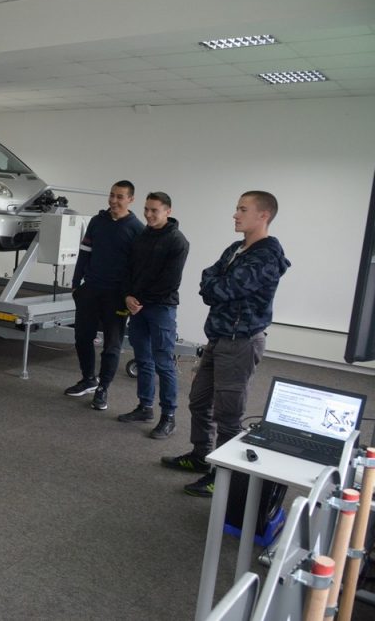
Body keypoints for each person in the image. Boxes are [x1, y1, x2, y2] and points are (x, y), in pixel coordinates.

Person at [162, 191, 290, 497]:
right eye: (237, 208)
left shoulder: (266, 255)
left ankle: (223, 476)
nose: (235, 214)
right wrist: (215, 284)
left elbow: (223, 289)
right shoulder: (236, 248)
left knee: (228, 414)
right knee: (199, 400)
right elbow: (209, 279)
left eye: (243, 209)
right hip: (219, 337)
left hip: (240, 343)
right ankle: (201, 456)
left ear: (263, 215)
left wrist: (215, 284)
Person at [64, 180, 144, 411]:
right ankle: (88, 379)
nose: (114, 200)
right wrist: (76, 284)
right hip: (90, 289)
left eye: (120, 196)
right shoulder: (97, 222)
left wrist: (132, 295)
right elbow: (84, 253)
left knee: (111, 345)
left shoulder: (137, 229)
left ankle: (103, 388)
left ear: (130, 200)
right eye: (112, 195)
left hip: (117, 296)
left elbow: (138, 268)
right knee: (82, 338)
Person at [117, 192, 190, 439]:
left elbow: (170, 282)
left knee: (164, 363)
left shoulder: (177, 241)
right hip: (137, 306)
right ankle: (144, 407)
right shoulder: (142, 235)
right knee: (143, 359)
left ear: (168, 211)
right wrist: (127, 296)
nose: (148, 214)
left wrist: (139, 301)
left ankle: (168, 417)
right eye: (146, 209)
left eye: (154, 210)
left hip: (160, 308)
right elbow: (128, 270)